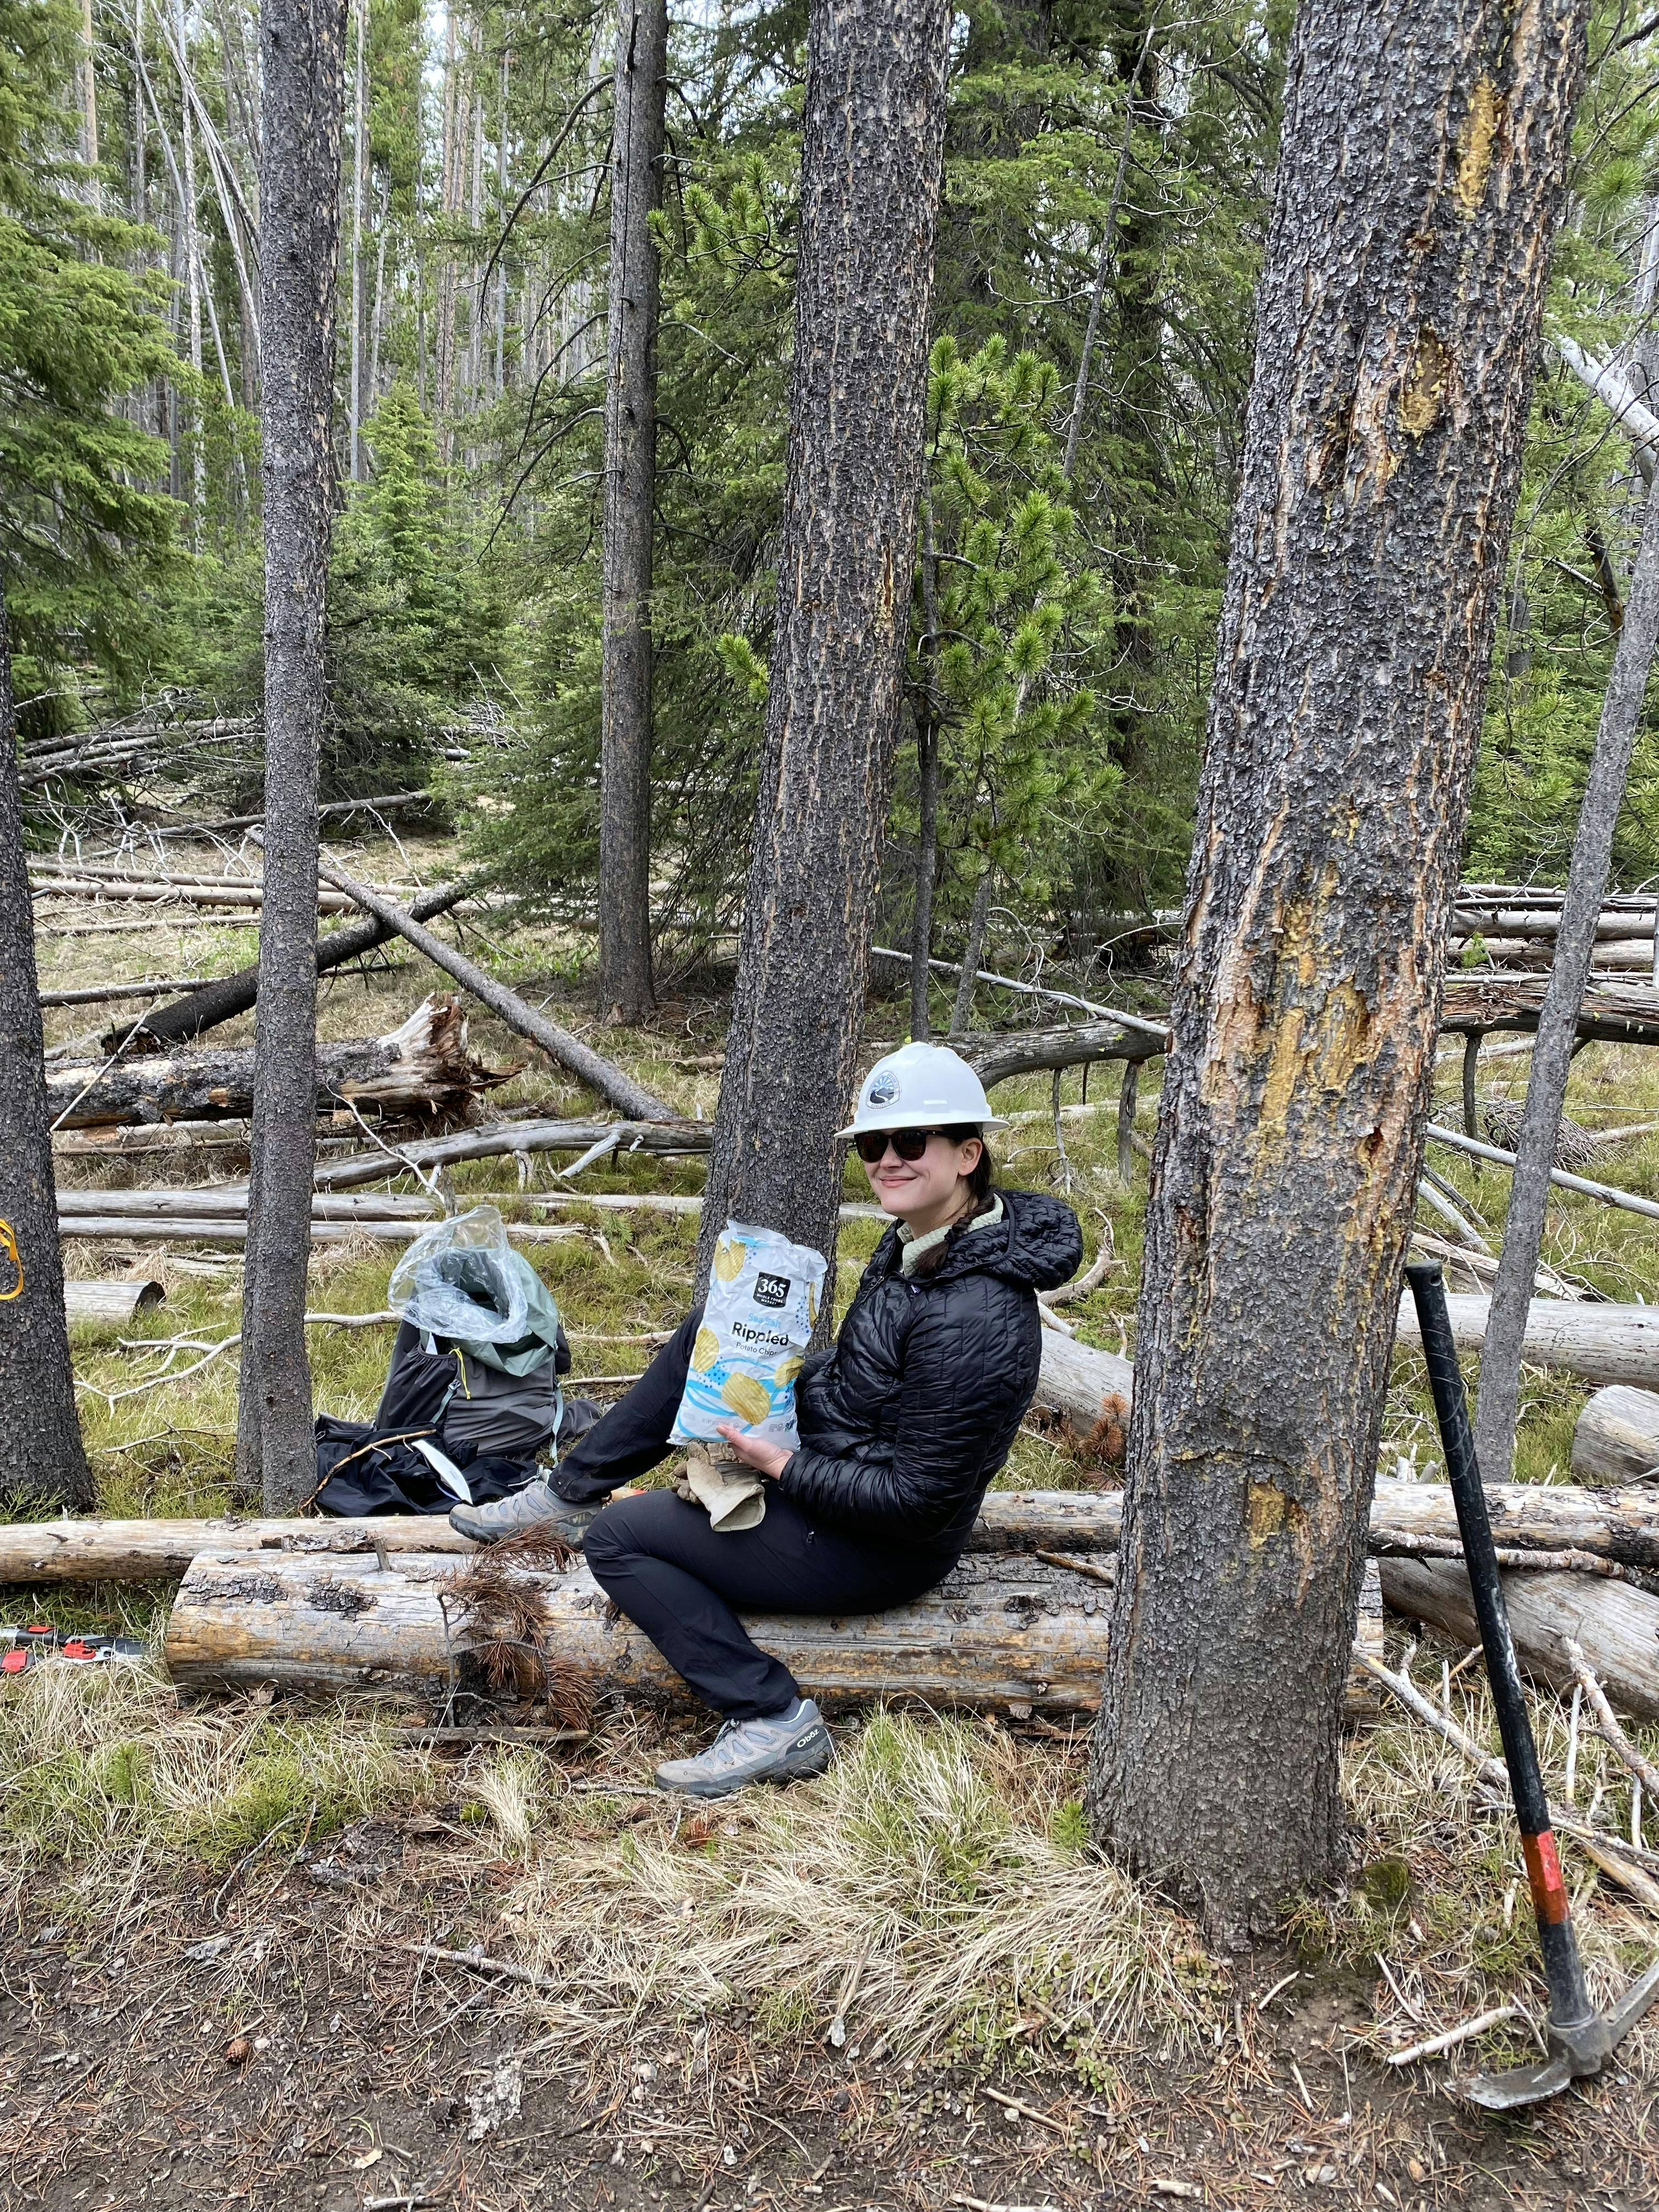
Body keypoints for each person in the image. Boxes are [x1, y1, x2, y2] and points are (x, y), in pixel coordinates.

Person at [450, 1041, 1082, 1797]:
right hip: (843, 1472)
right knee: (712, 1335)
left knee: (621, 1541)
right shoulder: (929, 1246)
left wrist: (782, 1465)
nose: (888, 1159)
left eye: (911, 1142)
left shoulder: (975, 1313)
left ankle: (769, 1714)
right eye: (874, 1145)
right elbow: (869, 1382)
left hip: (879, 1548)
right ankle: (569, 1495)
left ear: (968, 1154)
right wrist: (765, 1373)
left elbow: (918, 1505)